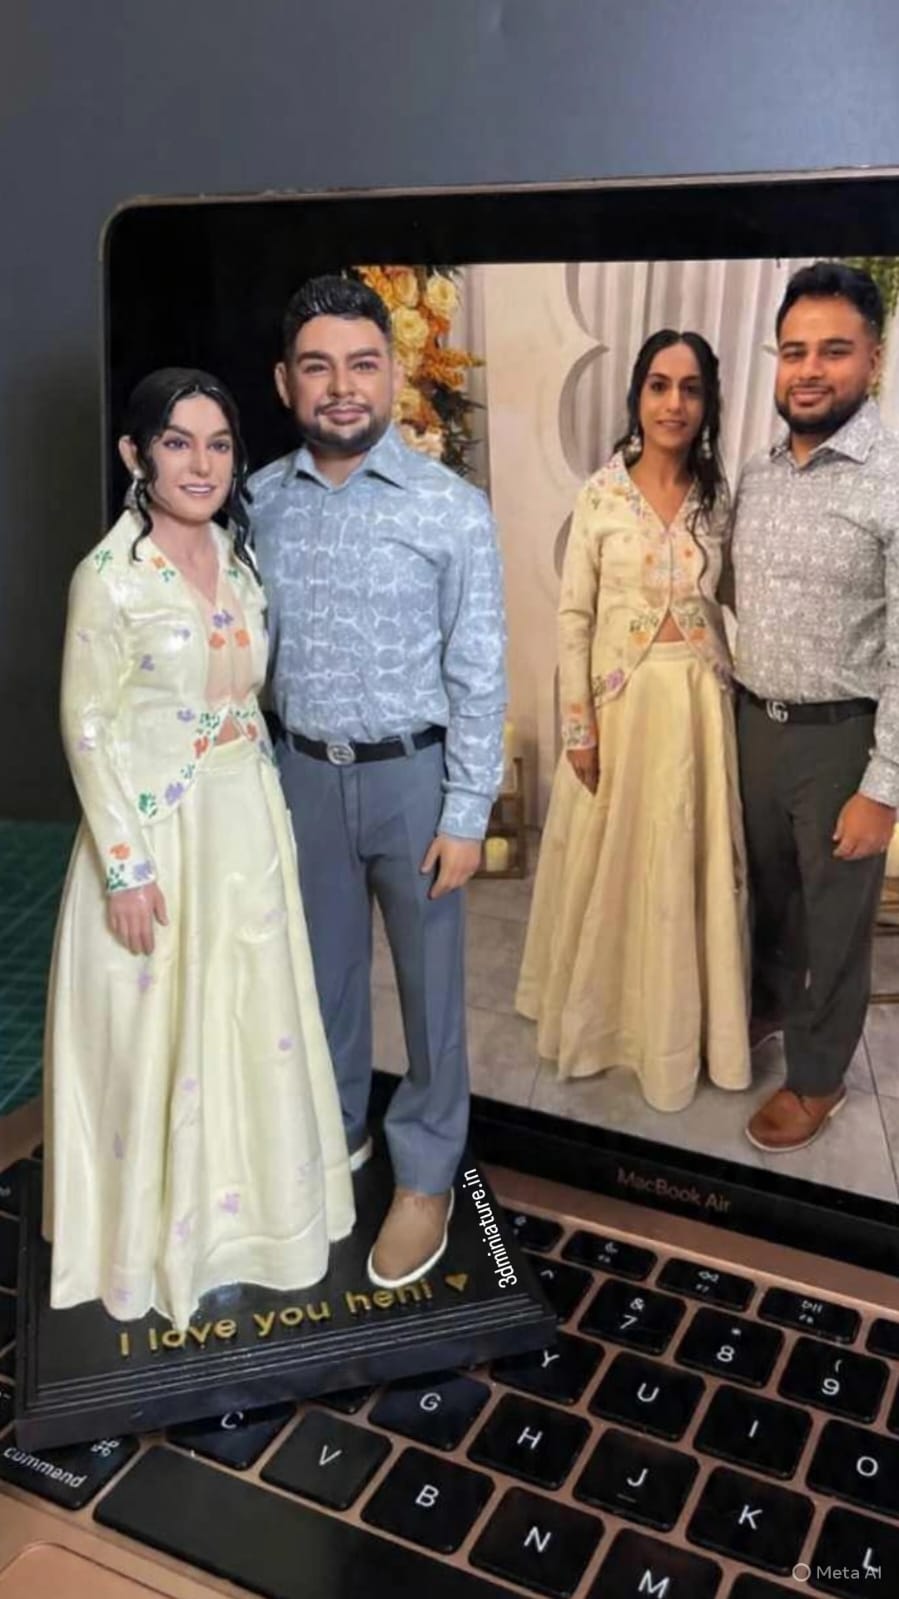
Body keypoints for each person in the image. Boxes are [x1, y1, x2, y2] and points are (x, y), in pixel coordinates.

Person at [43, 368, 354, 1330]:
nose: (201, 463)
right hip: (157, 838)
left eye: (218, 444)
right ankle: (159, 1245)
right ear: (136, 454)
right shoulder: (108, 577)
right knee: (159, 1035)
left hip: (242, 829)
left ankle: (251, 1225)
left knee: (250, 1019)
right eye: (178, 442)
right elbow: (84, 723)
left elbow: (248, 700)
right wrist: (125, 866)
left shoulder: (236, 553)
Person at [249, 275, 506, 1290]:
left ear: (394, 374)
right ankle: (335, 1138)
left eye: (362, 364)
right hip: (300, 775)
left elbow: (479, 668)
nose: (341, 386)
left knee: (431, 992)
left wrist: (466, 810)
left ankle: (426, 1172)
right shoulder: (256, 503)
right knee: (319, 983)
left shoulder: (449, 509)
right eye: (317, 366)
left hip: (414, 782)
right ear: (285, 383)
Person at [516, 330, 750, 1112]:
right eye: (658, 385)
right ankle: (605, 1025)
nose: (673, 403)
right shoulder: (601, 495)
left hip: (699, 709)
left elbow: (737, 601)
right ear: (637, 396)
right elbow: (573, 615)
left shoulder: (717, 500)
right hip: (620, 709)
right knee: (612, 868)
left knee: (686, 866)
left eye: (690, 388)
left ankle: (682, 1032)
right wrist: (577, 730)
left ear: (707, 403)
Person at [733, 262, 899, 1153]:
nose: (808, 369)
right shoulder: (756, 475)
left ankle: (818, 1076)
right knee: (769, 897)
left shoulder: (891, 479)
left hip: (841, 739)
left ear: (872, 359)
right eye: (792, 350)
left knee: (833, 922)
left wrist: (883, 787)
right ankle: (766, 1006)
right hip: (751, 724)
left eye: (832, 350)